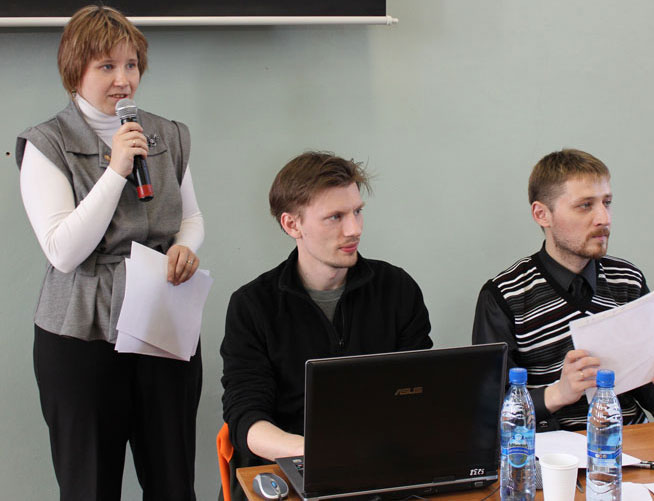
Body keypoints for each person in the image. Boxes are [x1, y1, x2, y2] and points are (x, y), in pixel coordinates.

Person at [15, 6, 204, 500]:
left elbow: (191, 218)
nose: (124, 80)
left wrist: (185, 248)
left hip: (163, 318)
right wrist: (116, 169)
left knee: (172, 480)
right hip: (81, 331)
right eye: (107, 66)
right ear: (74, 71)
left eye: (131, 65)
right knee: (91, 485)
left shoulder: (166, 134)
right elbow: (63, 251)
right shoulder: (46, 144)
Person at [220, 151, 432, 499]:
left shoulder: (397, 289)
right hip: (291, 468)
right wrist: (320, 454)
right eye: (335, 217)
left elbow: (420, 394)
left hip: (381, 468)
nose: (354, 229)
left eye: (357, 212)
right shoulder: (253, 305)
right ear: (292, 225)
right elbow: (246, 419)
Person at [472, 149, 654, 432]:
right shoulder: (504, 295)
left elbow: (648, 395)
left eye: (607, 203)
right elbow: (490, 409)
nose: (604, 218)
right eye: (585, 205)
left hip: (629, 441)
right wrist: (558, 393)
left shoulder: (628, 280)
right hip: (549, 451)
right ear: (542, 214)